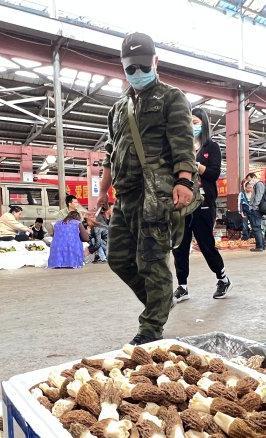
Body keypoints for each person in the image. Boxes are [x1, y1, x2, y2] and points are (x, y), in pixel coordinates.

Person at [96, 32, 196, 345]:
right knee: (119, 259)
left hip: (156, 194)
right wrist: (101, 192)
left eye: (143, 66)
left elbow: (183, 144)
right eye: (131, 69)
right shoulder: (117, 109)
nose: (137, 73)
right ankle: (160, 303)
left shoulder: (171, 97)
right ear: (122, 68)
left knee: (152, 260)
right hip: (124, 195)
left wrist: (184, 181)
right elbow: (111, 154)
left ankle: (151, 328)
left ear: (155, 61)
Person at [172, 108, 231, 303]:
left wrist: (193, 164)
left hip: (204, 203)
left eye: (195, 122)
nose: (191, 125)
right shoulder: (180, 147)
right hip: (182, 204)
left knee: (206, 244)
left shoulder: (210, 147)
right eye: (188, 121)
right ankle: (182, 286)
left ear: (204, 123)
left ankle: (222, 278)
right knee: (179, 245)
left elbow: (214, 174)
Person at [248, 178, 266, 252]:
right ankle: (262, 246)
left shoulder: (259, 184)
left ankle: (259, 246)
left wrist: (254, 206)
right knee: (258, 228)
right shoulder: (257, 185)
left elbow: (259, 196)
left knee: (256, 228)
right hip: (256, 209)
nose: (249, 182)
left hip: (256, 209)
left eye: (249, 179)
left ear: (253, 177)